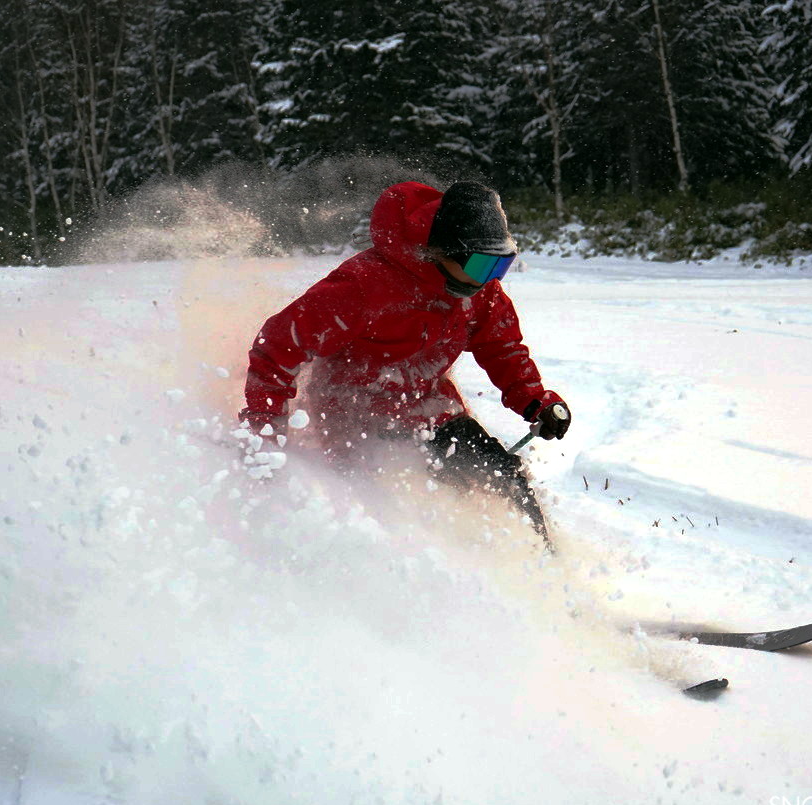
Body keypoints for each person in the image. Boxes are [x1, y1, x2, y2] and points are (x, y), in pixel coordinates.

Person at [238, 179, 570, 545]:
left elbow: (502, 347)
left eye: (500, 266)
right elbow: (278, 346)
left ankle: (542, 563)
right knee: (394, 509)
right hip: (354, 416)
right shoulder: (364, 286)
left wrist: (535, 401)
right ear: (442, 251)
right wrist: (265, 428)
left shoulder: (479, 292)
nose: (490, 279)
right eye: (482, 266)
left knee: (502, 478)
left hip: (431, 407)